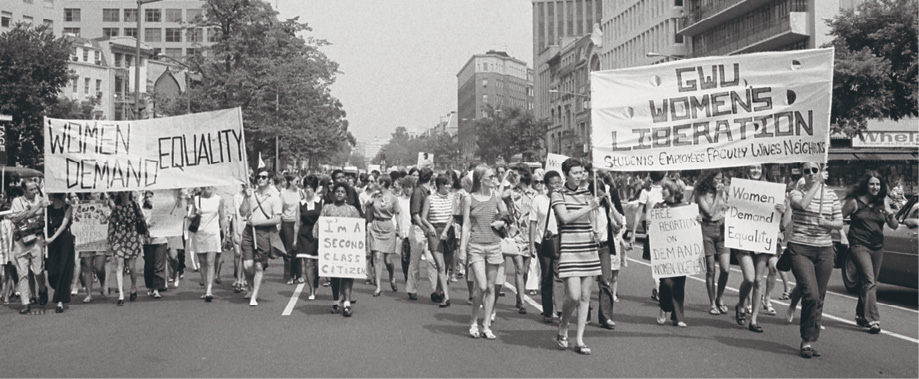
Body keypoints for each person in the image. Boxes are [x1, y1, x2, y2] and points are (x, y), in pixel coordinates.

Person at [787, 162, 843, 358]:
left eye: (814, 170)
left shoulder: (831, 195)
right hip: (800, 247)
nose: (811, 173)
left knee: (819, 296)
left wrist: (827, 223)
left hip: (824, 249)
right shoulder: (796, 191)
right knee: (810, 293)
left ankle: (808, 341)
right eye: (807, 171)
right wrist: (817, 184)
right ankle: (805, 336)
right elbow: (801, 205)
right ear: (802, 174)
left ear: (820, 171)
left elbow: (839, 221)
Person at [552, 158, 603, 355]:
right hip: (570, 247)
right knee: (572, 295)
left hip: (588, 247)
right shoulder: (558, 194)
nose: (579, 176)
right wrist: (589, 207)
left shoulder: (587, 193)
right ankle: (563, 325)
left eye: (581, 172)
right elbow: (564, 218)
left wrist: (596, 230)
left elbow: (591, 217)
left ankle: (580, 339)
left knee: (585, 297)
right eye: (575, 173)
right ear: (566, 175)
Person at [842, 171, 899, 334]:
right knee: (869, 280)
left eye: (878, 184)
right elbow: (838, 218)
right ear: (865, 185)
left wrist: (890, 214)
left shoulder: (883, 201)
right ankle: (873, 319)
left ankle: (861, 314)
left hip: (877, 246)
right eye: (872, 184)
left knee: (869, 282)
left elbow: (894, 226)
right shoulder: (854, 202)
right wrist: (841, 235)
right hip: (859, 244)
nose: (875, 187)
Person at [732, 164, 787, 333]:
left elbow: (778, 218)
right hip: (744, 241)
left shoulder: (770, 190)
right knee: (749, 278)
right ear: (747, 170)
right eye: (752, 168)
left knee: (758, 280)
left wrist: (782, 211)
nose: (755, 171)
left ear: (762, 170)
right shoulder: (739, 189)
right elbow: (733, 212)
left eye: (758, 168)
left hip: (763, 240)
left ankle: (754, 319)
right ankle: (741, 304)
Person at [460, 165, 507, 340]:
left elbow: (506, 215)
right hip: (476, 246)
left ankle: (486, 325)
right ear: (481, 179)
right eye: (491, 177)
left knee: (491, 287)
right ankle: (473, 321)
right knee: (481, 286)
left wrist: (502, 223)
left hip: (494, 244)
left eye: (495, 177)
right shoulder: (469, 199)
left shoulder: (496, 196)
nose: (494, 180)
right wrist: (462, 250)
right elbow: (465, 225)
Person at [313, 182, 361, 317]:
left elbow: (357, 229)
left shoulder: (352, 210)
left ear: (346, 195)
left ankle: (346, 303)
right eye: (337, 191)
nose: (339, 193)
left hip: (347, 249)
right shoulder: (327, 208)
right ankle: (335, 301)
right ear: (333, 194)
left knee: (347, 275)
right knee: (334, 275)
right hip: (332, 249)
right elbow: (319, 224)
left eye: (342, 192)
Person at [239, 170, 283, 307]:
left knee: (258, 266)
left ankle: (254, 295)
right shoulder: (251, 194)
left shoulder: (274, 197)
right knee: (247, 265)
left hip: (264, 233)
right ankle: (250, 287)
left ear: (269, 179)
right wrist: (246, 198)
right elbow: (242, 212)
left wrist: (258, 223)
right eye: (258, 177)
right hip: (248, 232)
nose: (260, 179)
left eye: (264, 177)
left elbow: (277, 218)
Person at [652, 178, 691, 327]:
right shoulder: (659, 207)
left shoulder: (686, 208)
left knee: (679, 284)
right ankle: (664, 306)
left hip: (681, 252)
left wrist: (697, 220)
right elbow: (652, 225)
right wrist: (651, 222)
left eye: (665, 189)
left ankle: (678, 316)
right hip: (665, 252)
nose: (662, 191)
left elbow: (691, 228)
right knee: (666, 282)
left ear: (674, 191)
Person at [694, 169, 730, 316]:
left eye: (722, 179)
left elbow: (726, 208)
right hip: (707, 229)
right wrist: (718, 195)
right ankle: (712, 303)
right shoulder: (701, 193)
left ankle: (720, 297)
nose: (720, 182)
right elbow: (709, 212)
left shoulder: (723, 192)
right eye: (717, 179)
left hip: (722, 229)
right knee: (711, 269)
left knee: (725, 269)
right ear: (710, 179)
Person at [501, 165, 536, 314]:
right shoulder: (511, 192)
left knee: (526, 269)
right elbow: (498, 196)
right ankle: (522, 301)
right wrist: (505, 178)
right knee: (519, 269)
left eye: (516, 175)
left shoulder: (534, 193)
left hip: (529, 234)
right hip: (514, 235)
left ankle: (519, 294)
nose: (514, 177)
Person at [531, 170, 561, 323]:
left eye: (559, 182)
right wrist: (531, 245)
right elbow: (533, 223)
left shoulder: (564, 199)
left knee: (561, 277)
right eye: (553, 183)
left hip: (562, 241)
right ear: (546, 185)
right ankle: (547, 311)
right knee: (547, 276)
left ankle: (561, 309)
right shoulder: (539, 200)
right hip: (544, 242)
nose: (557, 186)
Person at [406, 168, 438, 302]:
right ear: (431, 178)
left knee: (432, 260)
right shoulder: (419, 192)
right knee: (416, 261)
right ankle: (412, 289)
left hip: (427, 228)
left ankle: (436, 289)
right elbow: (415, 214)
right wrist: (424, 227)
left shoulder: (427, 192)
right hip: (420, 229)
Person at [421, 174, 454, 307]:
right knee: (440, 265)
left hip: (448, 231)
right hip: (435, 231)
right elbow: (423, 217)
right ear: (440, 185)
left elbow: (453, 215)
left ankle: (439, 291)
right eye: (446, 184)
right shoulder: (430, 199)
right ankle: (446, 297)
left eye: (449, 184)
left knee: (446, 266)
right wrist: (429, 226)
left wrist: (446, 230)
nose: (448, 187)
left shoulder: (452, 198)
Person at [631, 171, 664, 300]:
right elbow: (639, 213)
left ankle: (658, 288)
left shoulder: (667, 190)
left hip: (667, 230)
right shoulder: (646, 192)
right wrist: (633, 233)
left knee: (663, 262)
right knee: (656, 262)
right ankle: (659, 288)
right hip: (653, 230)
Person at [108, 191, 144, 307]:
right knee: (119, 265)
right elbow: (112, 223)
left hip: (132, 236)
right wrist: (110, 238)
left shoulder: (135, 205)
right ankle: (121, 295)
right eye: (122, 191)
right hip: (119, 236)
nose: (124, 193)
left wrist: (145, 235)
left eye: (126, 191)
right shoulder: (116, 207)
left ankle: (133, 286)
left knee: (131, 267)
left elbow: (142, 219)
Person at [190, 186, 226, 302]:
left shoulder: (218, 199)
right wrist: (196, 214)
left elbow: (222, 217)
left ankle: (209, 290)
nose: (209, 188)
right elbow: (189, 216)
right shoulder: (196, 199)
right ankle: (206, 289)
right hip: (199, 233)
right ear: (203, 187)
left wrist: (225, 234)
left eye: (211, 186)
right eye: (206, 186)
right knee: (202, 262)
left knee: (210, 261)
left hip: (213, 233)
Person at [367, 176, 400, 296]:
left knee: (387, 259)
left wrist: (399, 228)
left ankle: (392, 276)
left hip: (388, 226)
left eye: (377, 182)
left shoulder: (393, 198)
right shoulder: (375, 196)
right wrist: (370, 201)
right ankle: (378, 286)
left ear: (383, 183)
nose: (375, 184)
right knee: (377, 256)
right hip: (376, 225)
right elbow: (366, 205)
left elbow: (397, 213)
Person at [44, 193, 74, 313]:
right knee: (52, 272)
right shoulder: (47, 209)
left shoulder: (67, 207)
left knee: (62, 269)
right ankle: (62, 290)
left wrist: (52, 238)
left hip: (64, 239)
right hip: (52, 241)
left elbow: (64, 225)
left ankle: (60, 301)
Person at [297, 175, 323, 300]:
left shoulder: (321, 202)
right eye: (306, 187)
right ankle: (311, 290)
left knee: (317, 265)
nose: (308, 190)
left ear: (315, 189)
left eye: (311, 188)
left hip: (318, 235)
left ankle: (316, 282)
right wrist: (294, 240)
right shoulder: (301, 204)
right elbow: (297, 223)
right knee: (307, 262)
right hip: (305, 235)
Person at [140, 191, 167, 300]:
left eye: (151, 196)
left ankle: (157, 288)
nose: (149, 199)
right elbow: (140, 223)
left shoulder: (162, 208)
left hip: (161, 239)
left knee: (159, 265)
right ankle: (150, 286)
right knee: (149, 265)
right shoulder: (143, 210)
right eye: (147, 197)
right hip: (148, 240)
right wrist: (146, 224)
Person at [279, 175, 302, 285]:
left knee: (297, 249)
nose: (298, 182)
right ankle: (289, 275)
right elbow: (280, 209)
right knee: (289, 250)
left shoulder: (301, 192)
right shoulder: (283, 193)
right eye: (296, 181)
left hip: (298, 222)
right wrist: (280, 223)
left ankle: (299, 274)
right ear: (290, 181)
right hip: (287, 222)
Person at [394, 177, 415, 283]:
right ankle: (407, 275)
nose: (408, 190)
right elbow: (396, 215)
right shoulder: (399, 200)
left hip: (414, 230)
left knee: (413, 257)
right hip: (403, 230)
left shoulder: (416, 200)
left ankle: (412, 277)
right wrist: (398, 228)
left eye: (410, 187)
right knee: (405, 256)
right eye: (406, 187)